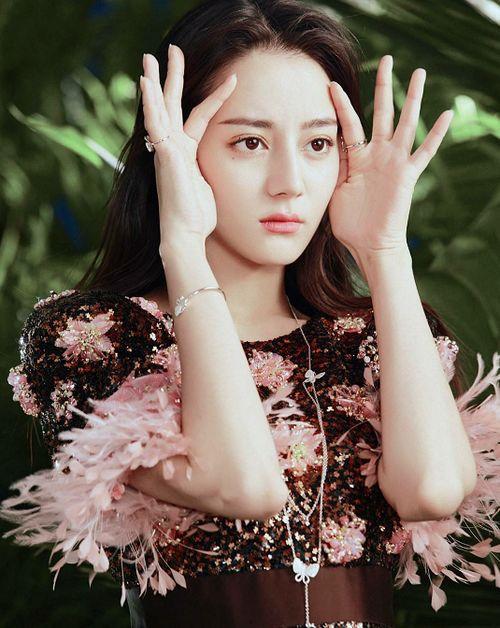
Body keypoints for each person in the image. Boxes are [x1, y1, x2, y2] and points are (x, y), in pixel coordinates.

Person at [1, 1, 499, 627]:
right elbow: (243, 486)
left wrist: (384, 252)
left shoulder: (369, 338)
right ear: (177, 152)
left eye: (318, 143)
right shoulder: (97, 338)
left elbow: (432, 490)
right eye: (250, 142)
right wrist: (184, 249)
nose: (290, 181)